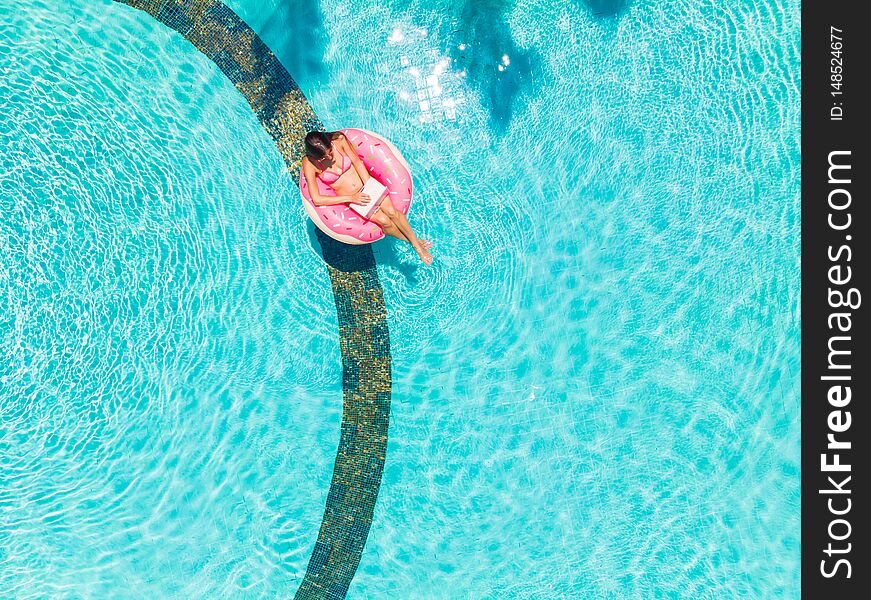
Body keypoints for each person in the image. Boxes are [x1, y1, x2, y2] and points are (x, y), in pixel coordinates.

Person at [301, 131, 433, 265]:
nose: (330, 157)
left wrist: (369, 187)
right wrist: (351, 198)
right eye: (324, 157)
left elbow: (357, 162)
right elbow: (317, 199)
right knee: (384, 221)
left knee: (392, 212)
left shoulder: (339, 140)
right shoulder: (309, 163)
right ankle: (412, 242)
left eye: (330, 151)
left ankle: (417, 247)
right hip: (353, 199)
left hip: (367, 184)